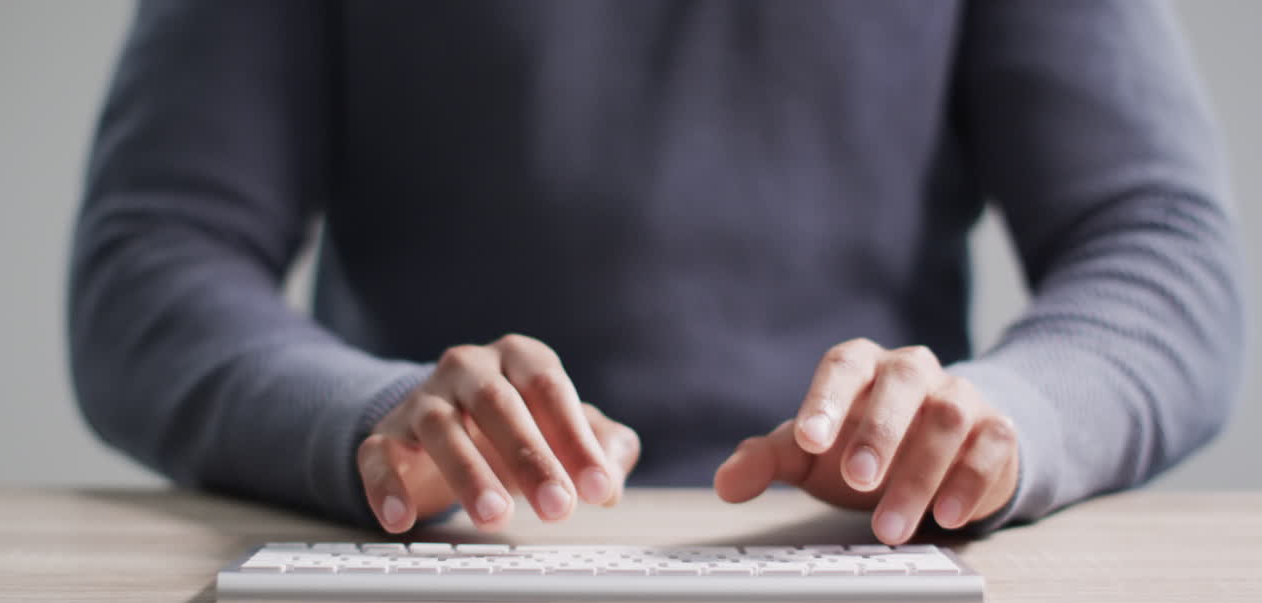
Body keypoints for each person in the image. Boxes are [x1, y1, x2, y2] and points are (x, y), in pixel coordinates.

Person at [70, 1, 1246, 545]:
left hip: (867, 575)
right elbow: (154, 260)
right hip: (434, 572)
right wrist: (369, 422)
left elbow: (1159, 245)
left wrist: (997, 423)